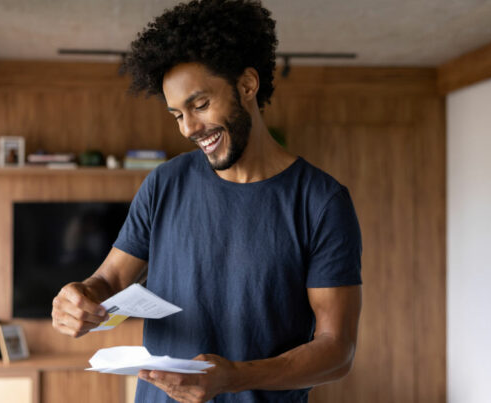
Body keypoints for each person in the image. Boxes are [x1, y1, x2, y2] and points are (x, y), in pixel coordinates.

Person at [51, 0, 363, 401]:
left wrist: (234, 376)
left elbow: (337, 350)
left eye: (200, 105)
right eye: (177, 114)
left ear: (247, 86)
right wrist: (78, 296)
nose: (189, 129)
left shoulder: (321, 202)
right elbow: (109, 280)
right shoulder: (164, 184)